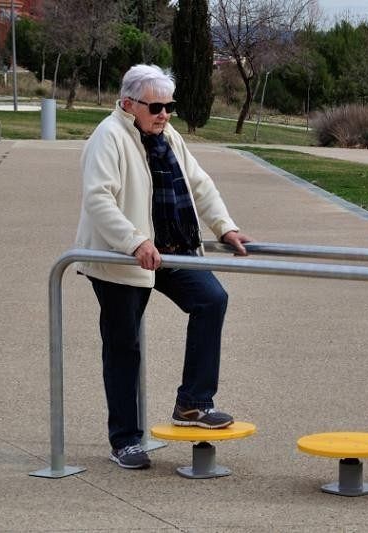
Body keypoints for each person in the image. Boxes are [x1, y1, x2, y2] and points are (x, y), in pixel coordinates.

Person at [75, 64, 251, 469]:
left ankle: (192, 404)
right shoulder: (109, 137)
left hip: (171, 249)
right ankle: (124, 440)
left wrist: (226, 227)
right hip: (121, 258)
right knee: (124, 346)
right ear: (127, 103)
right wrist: (134, 240)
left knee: (211, 299)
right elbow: (98, 199)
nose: (164, 114)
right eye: (156, 106)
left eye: (169, 105)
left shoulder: (167, 135)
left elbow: (200, 183)